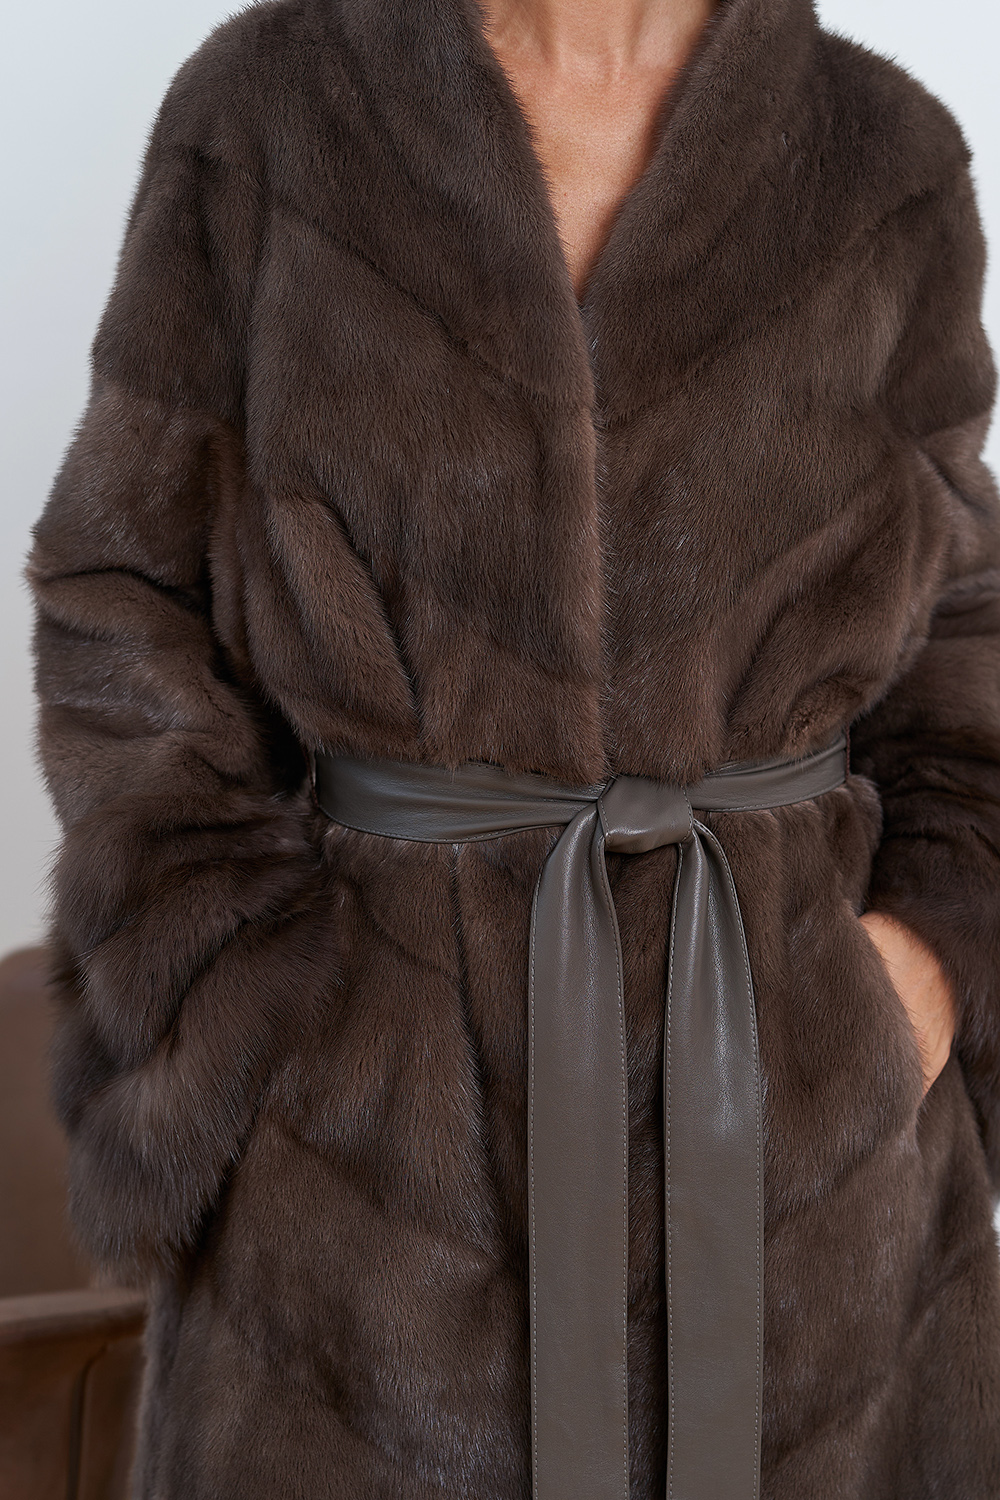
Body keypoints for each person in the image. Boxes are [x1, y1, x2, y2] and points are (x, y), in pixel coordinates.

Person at [25, 0, 1000, 1494]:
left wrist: (929, 962)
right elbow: (121, 590)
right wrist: (251, 1008)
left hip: (811, 1189)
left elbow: (964, 616)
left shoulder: (883, 159)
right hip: (361, 1222)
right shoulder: (266, 114)